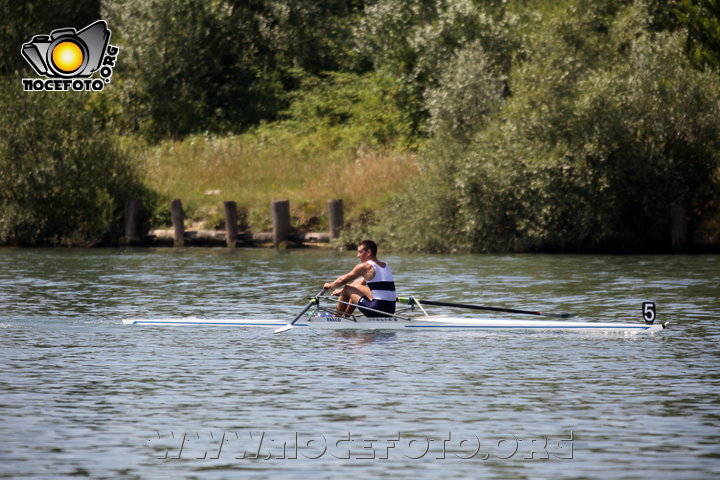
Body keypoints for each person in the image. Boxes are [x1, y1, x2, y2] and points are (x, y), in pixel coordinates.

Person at [323, 240, 396, 317]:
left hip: (376, 310)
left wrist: (330, 286)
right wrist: (342, 291)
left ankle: (336, 318)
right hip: (390, 310)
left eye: (360, 252)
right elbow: (360, 283)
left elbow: (342, 280)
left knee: (347, 288)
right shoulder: (385, 265)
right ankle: (345, 316)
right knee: (354, 288)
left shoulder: (365, 266)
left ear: (368, 252)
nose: (358, 255)